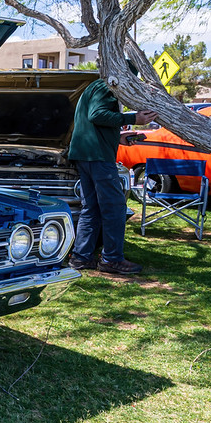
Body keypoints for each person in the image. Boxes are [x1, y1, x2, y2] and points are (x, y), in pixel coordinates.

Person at [67, 73, 158, 275]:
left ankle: (81, 257)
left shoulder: (95, 87)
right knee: (115, 207)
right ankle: (112, 259)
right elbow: (97, 115)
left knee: (91, 208)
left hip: (85, 155)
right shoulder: (107, 87)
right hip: (98, 156)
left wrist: (118, 137)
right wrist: (134, 118)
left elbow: (93, 123)